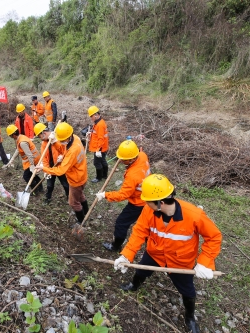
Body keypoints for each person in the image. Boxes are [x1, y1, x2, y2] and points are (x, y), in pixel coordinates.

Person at [113, 174, 222, 333]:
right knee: (142, 270)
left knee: (188, 290)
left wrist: (204, 262)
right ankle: (134, 284)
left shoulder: (193, 215)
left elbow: (214, 237)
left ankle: (190, 317)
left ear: (160, 202)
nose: (145, 203)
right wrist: (126, 255)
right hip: (154, 253)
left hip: (180, 262)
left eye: (147, 200)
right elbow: (139, 231)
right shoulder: (148, 211)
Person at [96, 140, 151, 252]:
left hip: (139, 203)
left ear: (131, 159)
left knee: (121, 223)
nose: (120, 160)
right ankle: (150, 244)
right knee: (147, 224)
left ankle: (116, 246)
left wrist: (105, 195)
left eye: (123, 159)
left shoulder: (133, 175)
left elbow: (123, 195)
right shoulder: (142, 155)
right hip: (148, 196)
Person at [34, 123, 88, 225]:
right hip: (81, 174)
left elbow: (61, 171)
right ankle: (86, 213)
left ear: (68, 137)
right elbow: (64, 149)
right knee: (80, 196)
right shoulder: (75, 138)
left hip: (76, 179)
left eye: (62, 140)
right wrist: (55, 143)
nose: (61, 142)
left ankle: (81, 221)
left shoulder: (72, 151)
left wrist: (44, 169)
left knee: (73, 202)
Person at [34, 123, 69, 204]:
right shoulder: (44, 144)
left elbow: (66, 151)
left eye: (40, 136)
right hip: (50, 168)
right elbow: (44, 158)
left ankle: (69, 197)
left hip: (59, 166)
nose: (40, 139)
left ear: (44, 133)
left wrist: (62, 156)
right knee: (49, 185)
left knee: (66, 184)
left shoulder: (58, 138)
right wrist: (46, 171)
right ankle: (48, 198)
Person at [3, 125, 43, 194]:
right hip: (33, 158)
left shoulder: (22, 142)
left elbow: (29, 155)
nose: (11, 137)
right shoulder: (21, 137)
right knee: (32, 175)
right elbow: (18, 150)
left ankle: (35, 190)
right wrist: (11, 160)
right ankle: (40, 188)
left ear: (13, 135)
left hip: (33, 159)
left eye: (10, 136)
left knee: (26, 176)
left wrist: (32, 165)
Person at [87, 105, 109, 183]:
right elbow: (98, 134)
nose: (91, 118)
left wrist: (98, 150)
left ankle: (99, 177)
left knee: (97, 162)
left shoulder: (100, 124)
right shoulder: (98, 122)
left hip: (100, 148)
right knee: (103, 160)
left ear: (96, 115)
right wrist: (91, 133)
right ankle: (105, 175)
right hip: (103, 147)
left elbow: (101, 138)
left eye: (91, 116)